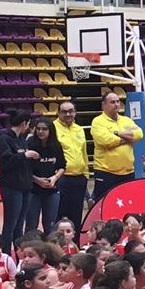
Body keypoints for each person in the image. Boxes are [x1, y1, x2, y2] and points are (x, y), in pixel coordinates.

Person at [88, 91, 143, 199]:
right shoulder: (98, 122)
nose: (117, 104)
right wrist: (128, 138)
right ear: (103, 105)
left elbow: (139, 134)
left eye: (118, 101)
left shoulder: (126, 120)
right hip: (106, 172)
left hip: (128, 172)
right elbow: (107, 141)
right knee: (105, 202)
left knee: (128, 201)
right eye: (112, 102)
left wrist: (117, 133)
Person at [0, 110, 34, 246]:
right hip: (12, 188)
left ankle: (19, 254)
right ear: (24, 123)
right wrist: (24, 155)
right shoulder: (4, 139)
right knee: (10, 225)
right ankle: (5, 253)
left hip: (25, 187)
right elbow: (4, 162)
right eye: (28, 123)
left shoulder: (22, 140)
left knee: (19, 225)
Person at [53, 100, 90, 234]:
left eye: (70, 111)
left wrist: (86, 174)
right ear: (58, 113)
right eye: (64, 111)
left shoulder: (79, 129)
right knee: (58, 214)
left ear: (75, 112)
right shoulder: (52, 128)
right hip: (61, 178)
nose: (68, 114)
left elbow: (84, 153)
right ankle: (56, 243)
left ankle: (75, 242)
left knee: (76, 214)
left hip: (79, 178)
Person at [24, 117, 65, 234]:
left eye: (44, 129)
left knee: (50, 226)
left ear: (50, 130)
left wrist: (55, 178)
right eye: (38, 129)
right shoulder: (29, 144)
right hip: (33, 191)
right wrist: (37, 180)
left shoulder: (56, 146)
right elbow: (24, 169)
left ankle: (49, 246)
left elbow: (62, 166)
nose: (41, 132)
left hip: (51, 191)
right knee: (31, 225)